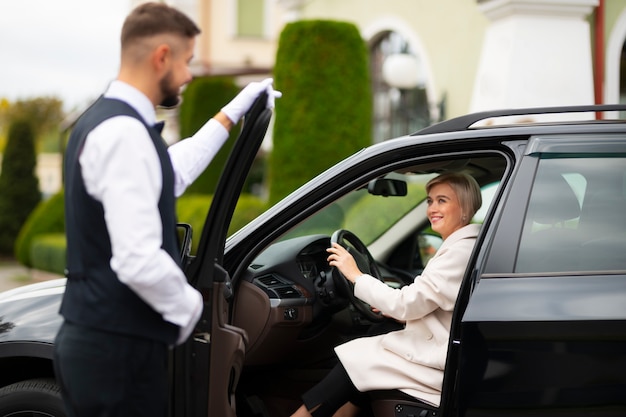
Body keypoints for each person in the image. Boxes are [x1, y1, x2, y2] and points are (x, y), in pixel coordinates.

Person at [53, 3, 281, 417]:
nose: (190, 74)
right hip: (116, 353)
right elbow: (137, 259)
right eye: (187, 60)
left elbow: (170, 170)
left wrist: (231, 114)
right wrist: (192, 311)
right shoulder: (124, 134)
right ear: (162, 57)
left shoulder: (110, 123)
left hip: (104, 345)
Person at [291, 172, 482, 417]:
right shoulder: (459, 246)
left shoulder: (460, 251)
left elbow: (407, 303)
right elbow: (433, 304)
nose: (432, 208)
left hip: (439, 362)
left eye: (442, 201)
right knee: (372, 342)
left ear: (465, 207)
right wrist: (395, 312)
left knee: (356, 362)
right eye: (430, 201)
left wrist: (355, 275)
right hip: (441, 347)